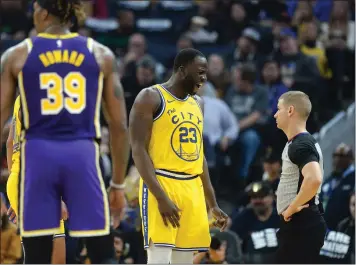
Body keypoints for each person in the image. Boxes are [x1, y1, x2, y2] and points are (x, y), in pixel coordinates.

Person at [0, 0, 129, 263]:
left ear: (43, 12)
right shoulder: (100, 53)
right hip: (81, 154)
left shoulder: (17, 55)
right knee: (102, 253)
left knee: (36, 256)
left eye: (35, 9)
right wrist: (117, 183)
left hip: (37, 157)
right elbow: (119, 126)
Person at [129, 48, 228, 264]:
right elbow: (138, 149)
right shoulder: (150, 97)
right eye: (200, 72)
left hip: (192, 187)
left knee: (184, 262)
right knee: (159, 260)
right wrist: (161, 196)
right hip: (162, 181)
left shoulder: (198, 104)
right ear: (182, 71)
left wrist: (212, 203)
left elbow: (198, 155)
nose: (204, 78)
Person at [6, 96, 67, 263]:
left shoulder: (21, 97)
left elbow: (10, 143)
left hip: (21, 178)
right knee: (53, 259)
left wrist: (16, 189)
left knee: (36, 256)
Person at [273, 91, 326, 263]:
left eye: (278, 109)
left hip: (301, 225)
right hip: (302, 225)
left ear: (290, 111)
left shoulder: (300, 144)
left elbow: (314, 179)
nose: (275, 114)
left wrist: (290, 209)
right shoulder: (301, 141)